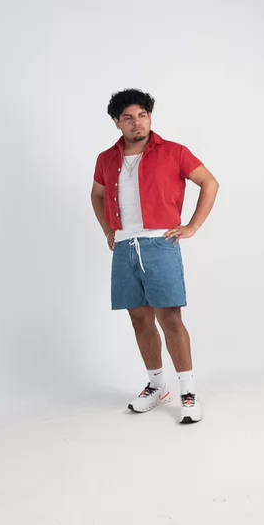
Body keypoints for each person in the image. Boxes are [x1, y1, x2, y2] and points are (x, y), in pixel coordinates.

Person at [90, 89, 219, 424]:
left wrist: (192, 226)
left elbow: (209, 182)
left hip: (160, 244)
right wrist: (108, 230)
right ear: (117, 122)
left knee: (171, 320)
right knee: (139, 319)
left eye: (143, 115)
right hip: (124, 247)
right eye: (129, 118)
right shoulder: (106, 159)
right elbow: (97, 194)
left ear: (150, 117)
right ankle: (157, 386)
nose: (138, 123)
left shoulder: (174, 152)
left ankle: (187, 391)